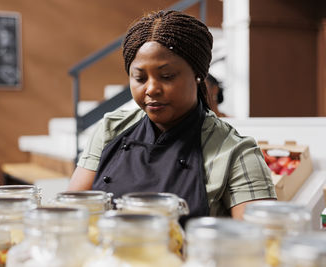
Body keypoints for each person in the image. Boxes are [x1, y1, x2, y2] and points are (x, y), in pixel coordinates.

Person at [68, 10, 276, 220]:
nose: (151, 89)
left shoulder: (236, 153)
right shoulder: (111, 129)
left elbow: (258, 242)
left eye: (166, 76)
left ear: (198, 75)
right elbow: (71, 213)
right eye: (140, 78)